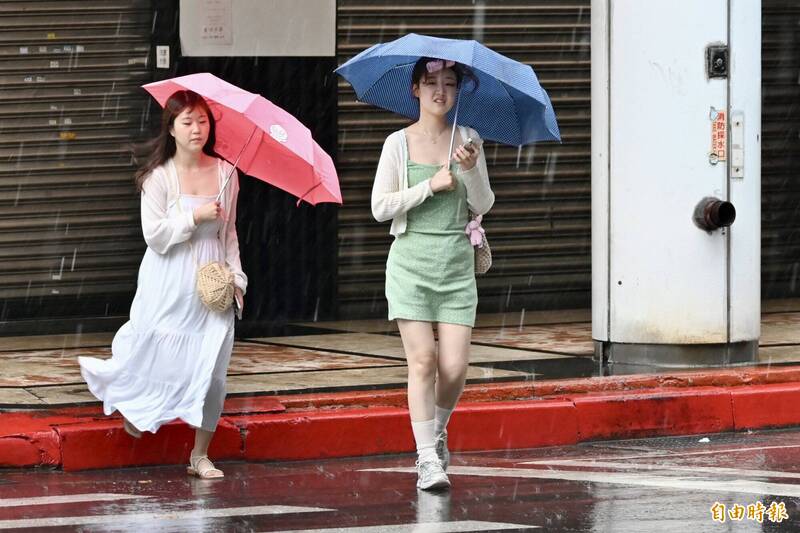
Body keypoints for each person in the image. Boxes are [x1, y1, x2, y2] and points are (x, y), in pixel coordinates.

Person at [79, 89, 247, 479]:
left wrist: (237, 277)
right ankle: (139, 407)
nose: (196, 129)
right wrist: (194, 217)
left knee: (213, 368)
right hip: (169, 280)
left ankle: (200, 454)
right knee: (156, 352)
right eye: (187, 122)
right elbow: (154, 236)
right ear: (170, 128)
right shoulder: (158, 178)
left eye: (203, 120)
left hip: (212, 282)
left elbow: (229, 232)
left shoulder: (227, 174)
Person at [371, 57, 494, 490]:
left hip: (456, 266)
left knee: (455, 367)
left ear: (458, 91)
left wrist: (471, 168)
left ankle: (436, 433)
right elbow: (379, 206)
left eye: (449, 83)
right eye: (430, 83)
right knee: (422, 361)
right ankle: (426, 457)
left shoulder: (469, 139)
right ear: (415, 90)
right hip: (410, 265)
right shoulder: (397, 144)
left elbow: (483, 204)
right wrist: (429, 186)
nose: (440, 91)